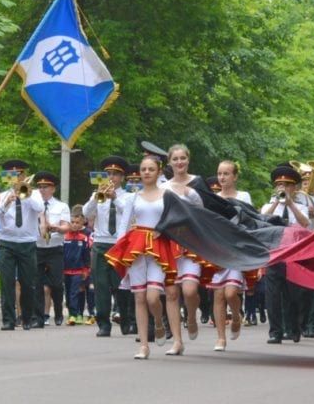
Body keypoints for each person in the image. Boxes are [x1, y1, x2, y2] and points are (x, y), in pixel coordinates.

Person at [105, 155, 175, 359]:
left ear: (159, 172)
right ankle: (143, 345)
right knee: (139, 297)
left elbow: (175, 220)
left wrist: (164, 230)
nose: (146, 172)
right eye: (143, 169)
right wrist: (120, 250)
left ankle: (159, 322)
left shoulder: (167, 195)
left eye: (151, 169)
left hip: (158, 246)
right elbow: (124, 225)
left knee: (153, 296)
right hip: (136, 247)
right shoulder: (133, 197)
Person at [261, 164, 312, 345]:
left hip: (293, 256)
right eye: (279, 185)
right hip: (274, 255)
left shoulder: (300, 207)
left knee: (294, 296)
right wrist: (277, 202)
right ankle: (275, 332)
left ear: (295, 188)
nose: (283, 188)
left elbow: (305, 223)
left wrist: (290, 203)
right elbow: (261, 221)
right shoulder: (268, 206)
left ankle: (294, 328)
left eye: (287, 185)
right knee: (272, 296)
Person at [83, 156, 133, 337]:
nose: (111, 177)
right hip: (101, 243)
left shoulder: (128, 196)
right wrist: (96, 198)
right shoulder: (97, 194)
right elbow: (86, 213)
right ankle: (103, 324)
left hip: (120, 244)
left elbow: (130, 214)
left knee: (122, 286)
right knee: (101, 286)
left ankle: (126, 320)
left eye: (115, 174)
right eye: (108, 174)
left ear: (122, 177)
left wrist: (115, 198)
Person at [163, 144, 206, 342]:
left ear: (188, 160)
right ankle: (177, 341)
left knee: (189, 291)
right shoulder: (163, 188)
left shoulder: (197, 183)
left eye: (183, 158)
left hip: (191, 245)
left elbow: (204, 214)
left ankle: (191, 316)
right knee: (172, 294)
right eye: (175, 159)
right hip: (169, 244)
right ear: (170, 162)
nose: (179, 162)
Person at [207, 160, 249, 351]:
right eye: (219, 173)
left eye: (226, 173)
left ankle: (237, 316)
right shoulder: (213, 198)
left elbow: (250, 221)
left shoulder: (243, 196)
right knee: (218, 294)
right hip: (218, 250)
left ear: (235, 176)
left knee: (231, 292)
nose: (222, 177)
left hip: (237, 250)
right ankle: (221, 338)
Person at [0, 159, 40, 331]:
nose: (17, 177)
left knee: (27, 283)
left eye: (19, 174)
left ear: (24, 175)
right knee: (7, 283)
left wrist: (26, 195)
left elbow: (39, 209)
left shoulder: (33, 194)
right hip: (7, 242)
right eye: (12, 175)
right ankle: (8, 320)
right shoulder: (2, 195)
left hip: (27, 243)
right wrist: (6, 203)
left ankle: (27, 318)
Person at [33, 171, 70, 326]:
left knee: (56, 283)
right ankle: (39, 317)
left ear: (53, 189)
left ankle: (58, 311)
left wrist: (56, 227)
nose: (42, 190)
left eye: (46, 187)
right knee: (37, 284)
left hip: (55, 248)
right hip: (37, 247)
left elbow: (66, 227)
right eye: (40, 187)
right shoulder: (33, 205)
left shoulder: (61, 206)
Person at [63, 209, 91, 325]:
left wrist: (86, 269)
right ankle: (71, 314)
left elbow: (86, 255)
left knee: (75, 292)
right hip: (66, 271)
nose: (74, 224)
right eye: (72, 222)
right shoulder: (64, 237)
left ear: (81, 224)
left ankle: (75, 315)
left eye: (77, 222)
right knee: (68, 293)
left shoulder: (83, 238)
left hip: (78, 271)